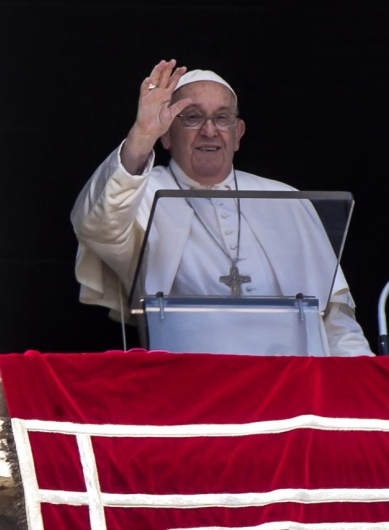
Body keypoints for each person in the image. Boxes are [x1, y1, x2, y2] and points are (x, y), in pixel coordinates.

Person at [71, 59, 373, 357]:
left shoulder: (286, 199)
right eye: (192, 117)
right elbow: (97, 225)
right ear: (165, 133)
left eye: (222, 117)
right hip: (190, 391)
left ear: (238, 133)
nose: (209, 130)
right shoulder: (142, 191)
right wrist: (141, 137)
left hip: (296, 395)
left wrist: (365, 389)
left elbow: (337, 322)